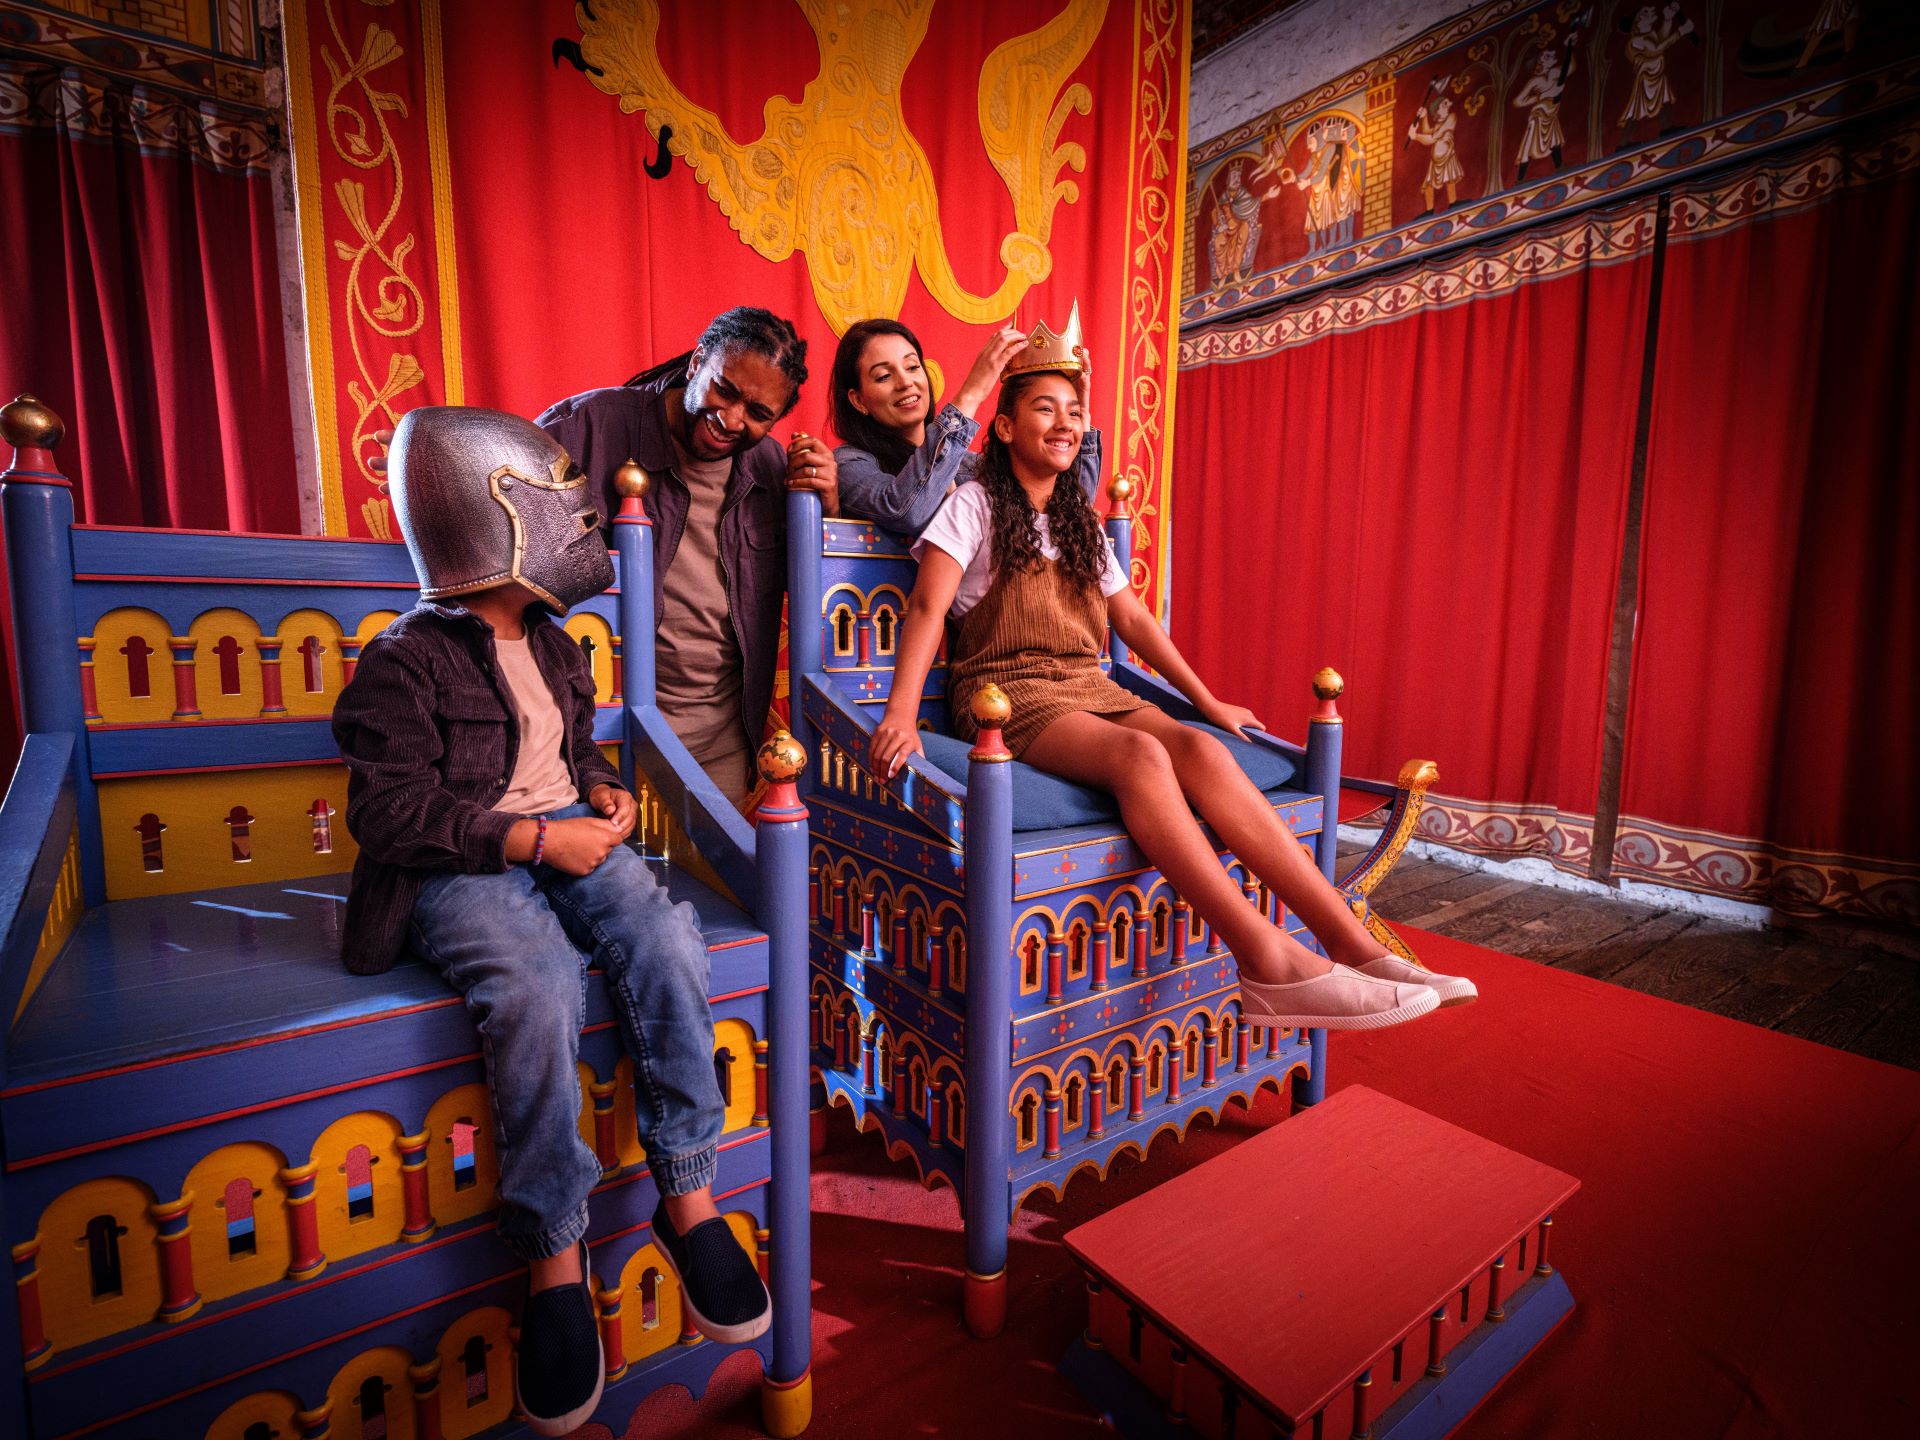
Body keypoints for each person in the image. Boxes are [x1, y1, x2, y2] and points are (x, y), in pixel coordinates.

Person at [334, 407, 771, 1437]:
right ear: (492, 511)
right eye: (555, 498)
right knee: (536, 984)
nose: (575, 517)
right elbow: (388, 813)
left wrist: (604, 796)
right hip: (461, 862)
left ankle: (689, 1194)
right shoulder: (407, 658)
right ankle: (555, 1256)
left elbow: (570, 762)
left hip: (566, 836)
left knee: (668, 937)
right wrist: (532, 843)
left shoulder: (556, 642)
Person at [867, 362, 1478, 1031]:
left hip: (1087, 684)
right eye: (1045, 409)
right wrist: (901, 715)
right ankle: (1266, 959)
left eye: (1074, 410)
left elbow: (1132, 621)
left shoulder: (1081, 522)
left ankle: (1355, 945)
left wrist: (1207, 702)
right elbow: (927, 605)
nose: (1065, 421)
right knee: (1141, 757)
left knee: (1199, 748)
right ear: (1007, 427)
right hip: (1009, 692)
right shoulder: (973, 503)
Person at [536, 307, 838, 802]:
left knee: (720, 878)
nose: (732, 419)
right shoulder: (591, 426)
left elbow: (808, 598)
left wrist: (825, 509)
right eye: (726, 389)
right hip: (594, 738)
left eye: (759, 414)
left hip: (719, 744)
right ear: (697, 363)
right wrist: (448, 463)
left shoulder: (770, 468)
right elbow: (501, 509)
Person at [830, 316, 1098, 536]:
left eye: (912, 367)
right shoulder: (848, 464)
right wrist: (971, 394)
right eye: (884, 376)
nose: (905, 383)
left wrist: (1079, 417)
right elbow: (905, 510)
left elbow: (1065, 517)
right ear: (858, 400)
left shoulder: (970, 466)